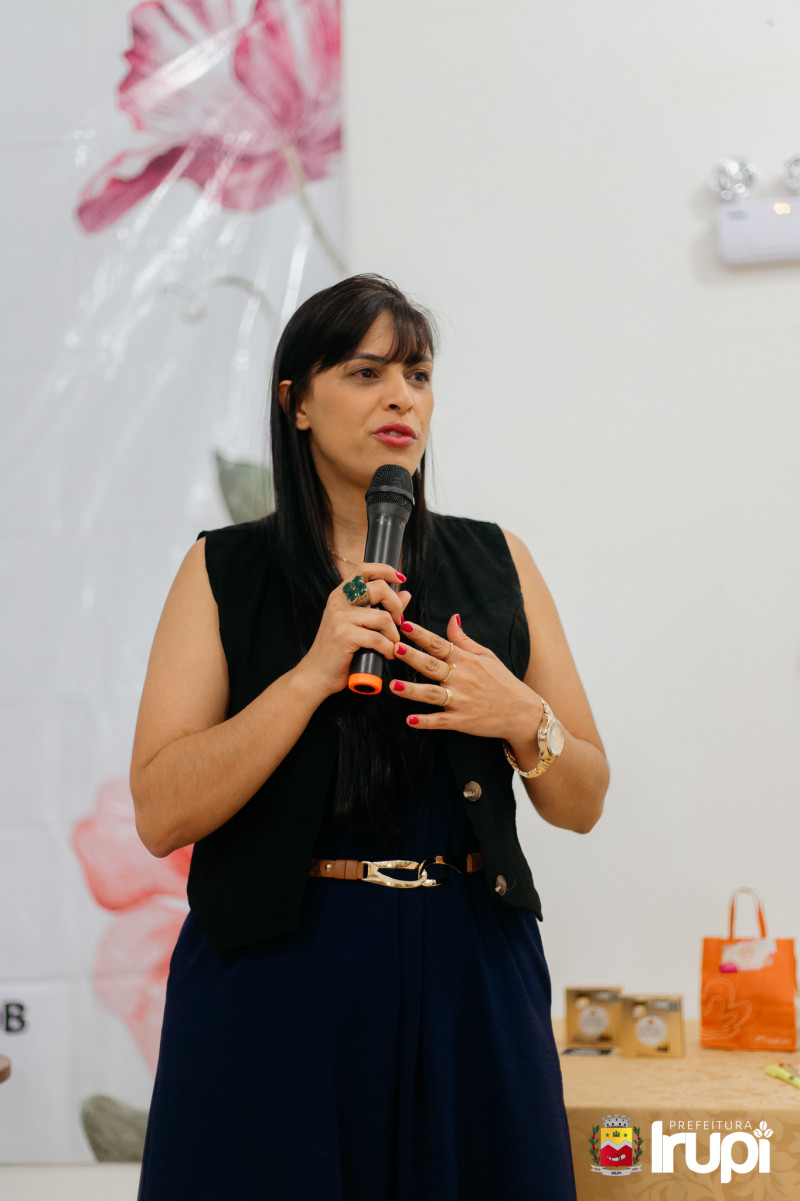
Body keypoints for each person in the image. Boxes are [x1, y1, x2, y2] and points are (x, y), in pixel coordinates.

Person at [131, 274, 609, 1201]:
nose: (402, 398)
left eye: (418, 375)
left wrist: (522, 719)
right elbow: (160, 811)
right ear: (297, 403)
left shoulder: (499, 560)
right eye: (366, 372)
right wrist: (310, 674)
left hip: (471, 964)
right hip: (278, 972)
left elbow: (583, 799)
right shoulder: (224, 567)